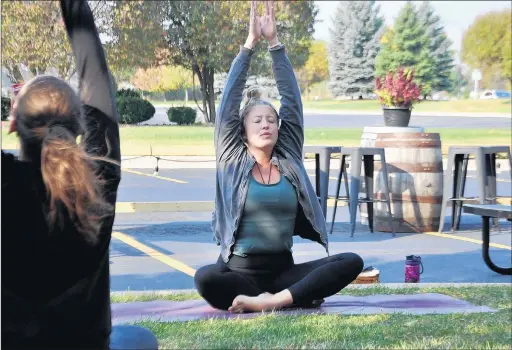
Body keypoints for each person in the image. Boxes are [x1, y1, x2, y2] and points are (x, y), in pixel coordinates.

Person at [1, 0, 157, 348]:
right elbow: (95, 73)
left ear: (14, 125)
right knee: (140, 339)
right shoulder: (97, 182)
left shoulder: (5, 185)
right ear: (80, 124)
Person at [194, 0, 364, 313]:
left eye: (271, 119)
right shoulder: (231, 159)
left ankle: (273, 301)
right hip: (238, 273)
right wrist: (250, 44)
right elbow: (230, 101)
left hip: (284, 274)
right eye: (257, 120)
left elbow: (292, 103)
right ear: (242, 131)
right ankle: (290, 297)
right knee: (205, 278)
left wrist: (275, 43)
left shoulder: (288, 158)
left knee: (351, 261)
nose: (265, 124)